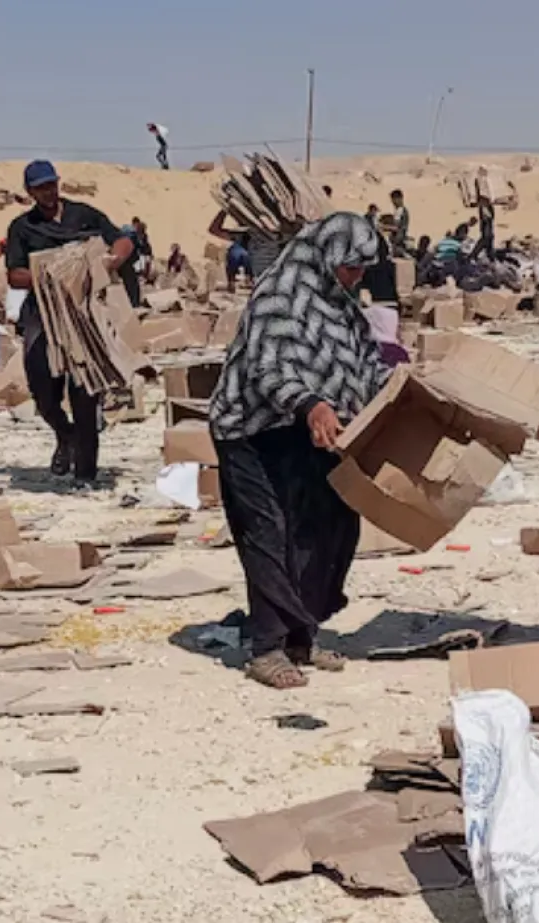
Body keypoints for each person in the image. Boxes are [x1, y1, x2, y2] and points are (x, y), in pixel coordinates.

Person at [208, 213, 386, 689]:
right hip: (251, 429)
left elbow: (364, 363)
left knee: (326, 527)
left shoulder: (342, 304)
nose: (357, 276)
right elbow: (267, 368)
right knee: (268, 532)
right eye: (351, 266)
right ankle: (266, 647)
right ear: (328, 255)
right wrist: (310, 403)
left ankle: (301, 637)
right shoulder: (278, 294)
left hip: (307, 432)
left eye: (362, 268)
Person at [3, 160, 134, 484]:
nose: (48, 192)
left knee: (85, 392)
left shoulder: (84, 214)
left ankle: (86, 472)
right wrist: (50, 274)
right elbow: (14, 274)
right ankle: (65, 434)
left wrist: (112, 259)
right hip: (44, 315)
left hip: (84, 316)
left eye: (51, 184)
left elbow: (122, 240)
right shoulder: (22, 227)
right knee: (43, 392)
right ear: (30, 191)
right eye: (40, 188)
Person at [209, 210, 282, 280]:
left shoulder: (247, 238)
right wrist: (226, 209)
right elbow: (214, 230)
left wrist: (226, 209)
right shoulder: (247, 237)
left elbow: (214, 230)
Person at [469, 194, 496, 261]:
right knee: (486, 242)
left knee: (486, 241)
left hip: (487, 228)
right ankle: (475, 255)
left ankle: (475, 255)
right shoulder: (483, 208)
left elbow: (490, 217)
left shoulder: (486, 207)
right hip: (486, 228)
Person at [389, 189, 411, 255]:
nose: (392, 202)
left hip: (397, 241)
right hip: (400, 239)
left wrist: (381, 226)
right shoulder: (403, 210)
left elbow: (395, 228)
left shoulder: (399, 211)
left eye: (393, 199)